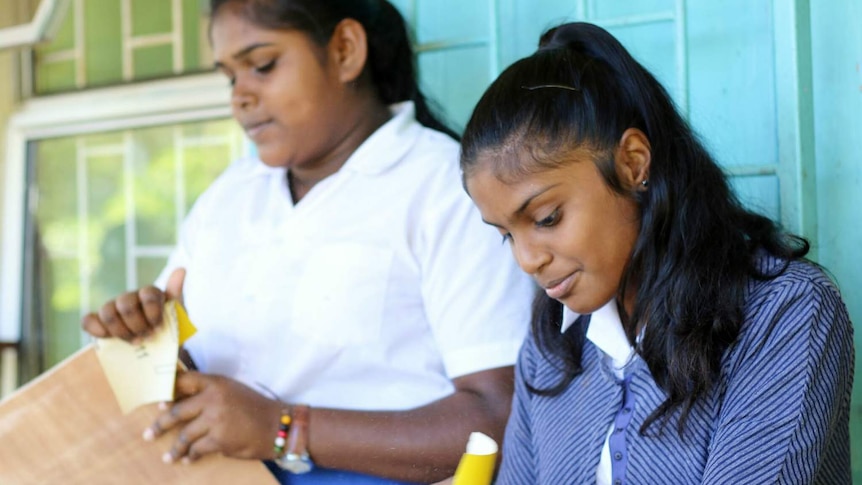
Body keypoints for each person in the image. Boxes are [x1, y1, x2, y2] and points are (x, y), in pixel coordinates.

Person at [81, 1, 535, 484]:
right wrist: (147, 343)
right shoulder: (229, 198)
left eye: (262, 66)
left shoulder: (443, 189)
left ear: (344, 50)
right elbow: (189, 368)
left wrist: (285, 428)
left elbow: (497, 420)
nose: (240, 97)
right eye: (230, 77)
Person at [459, 22, 855, 484]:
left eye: (547, 218)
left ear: (632, 163)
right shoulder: (551, 343)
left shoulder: (784, 313)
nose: (527, 260)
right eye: (506, 234)